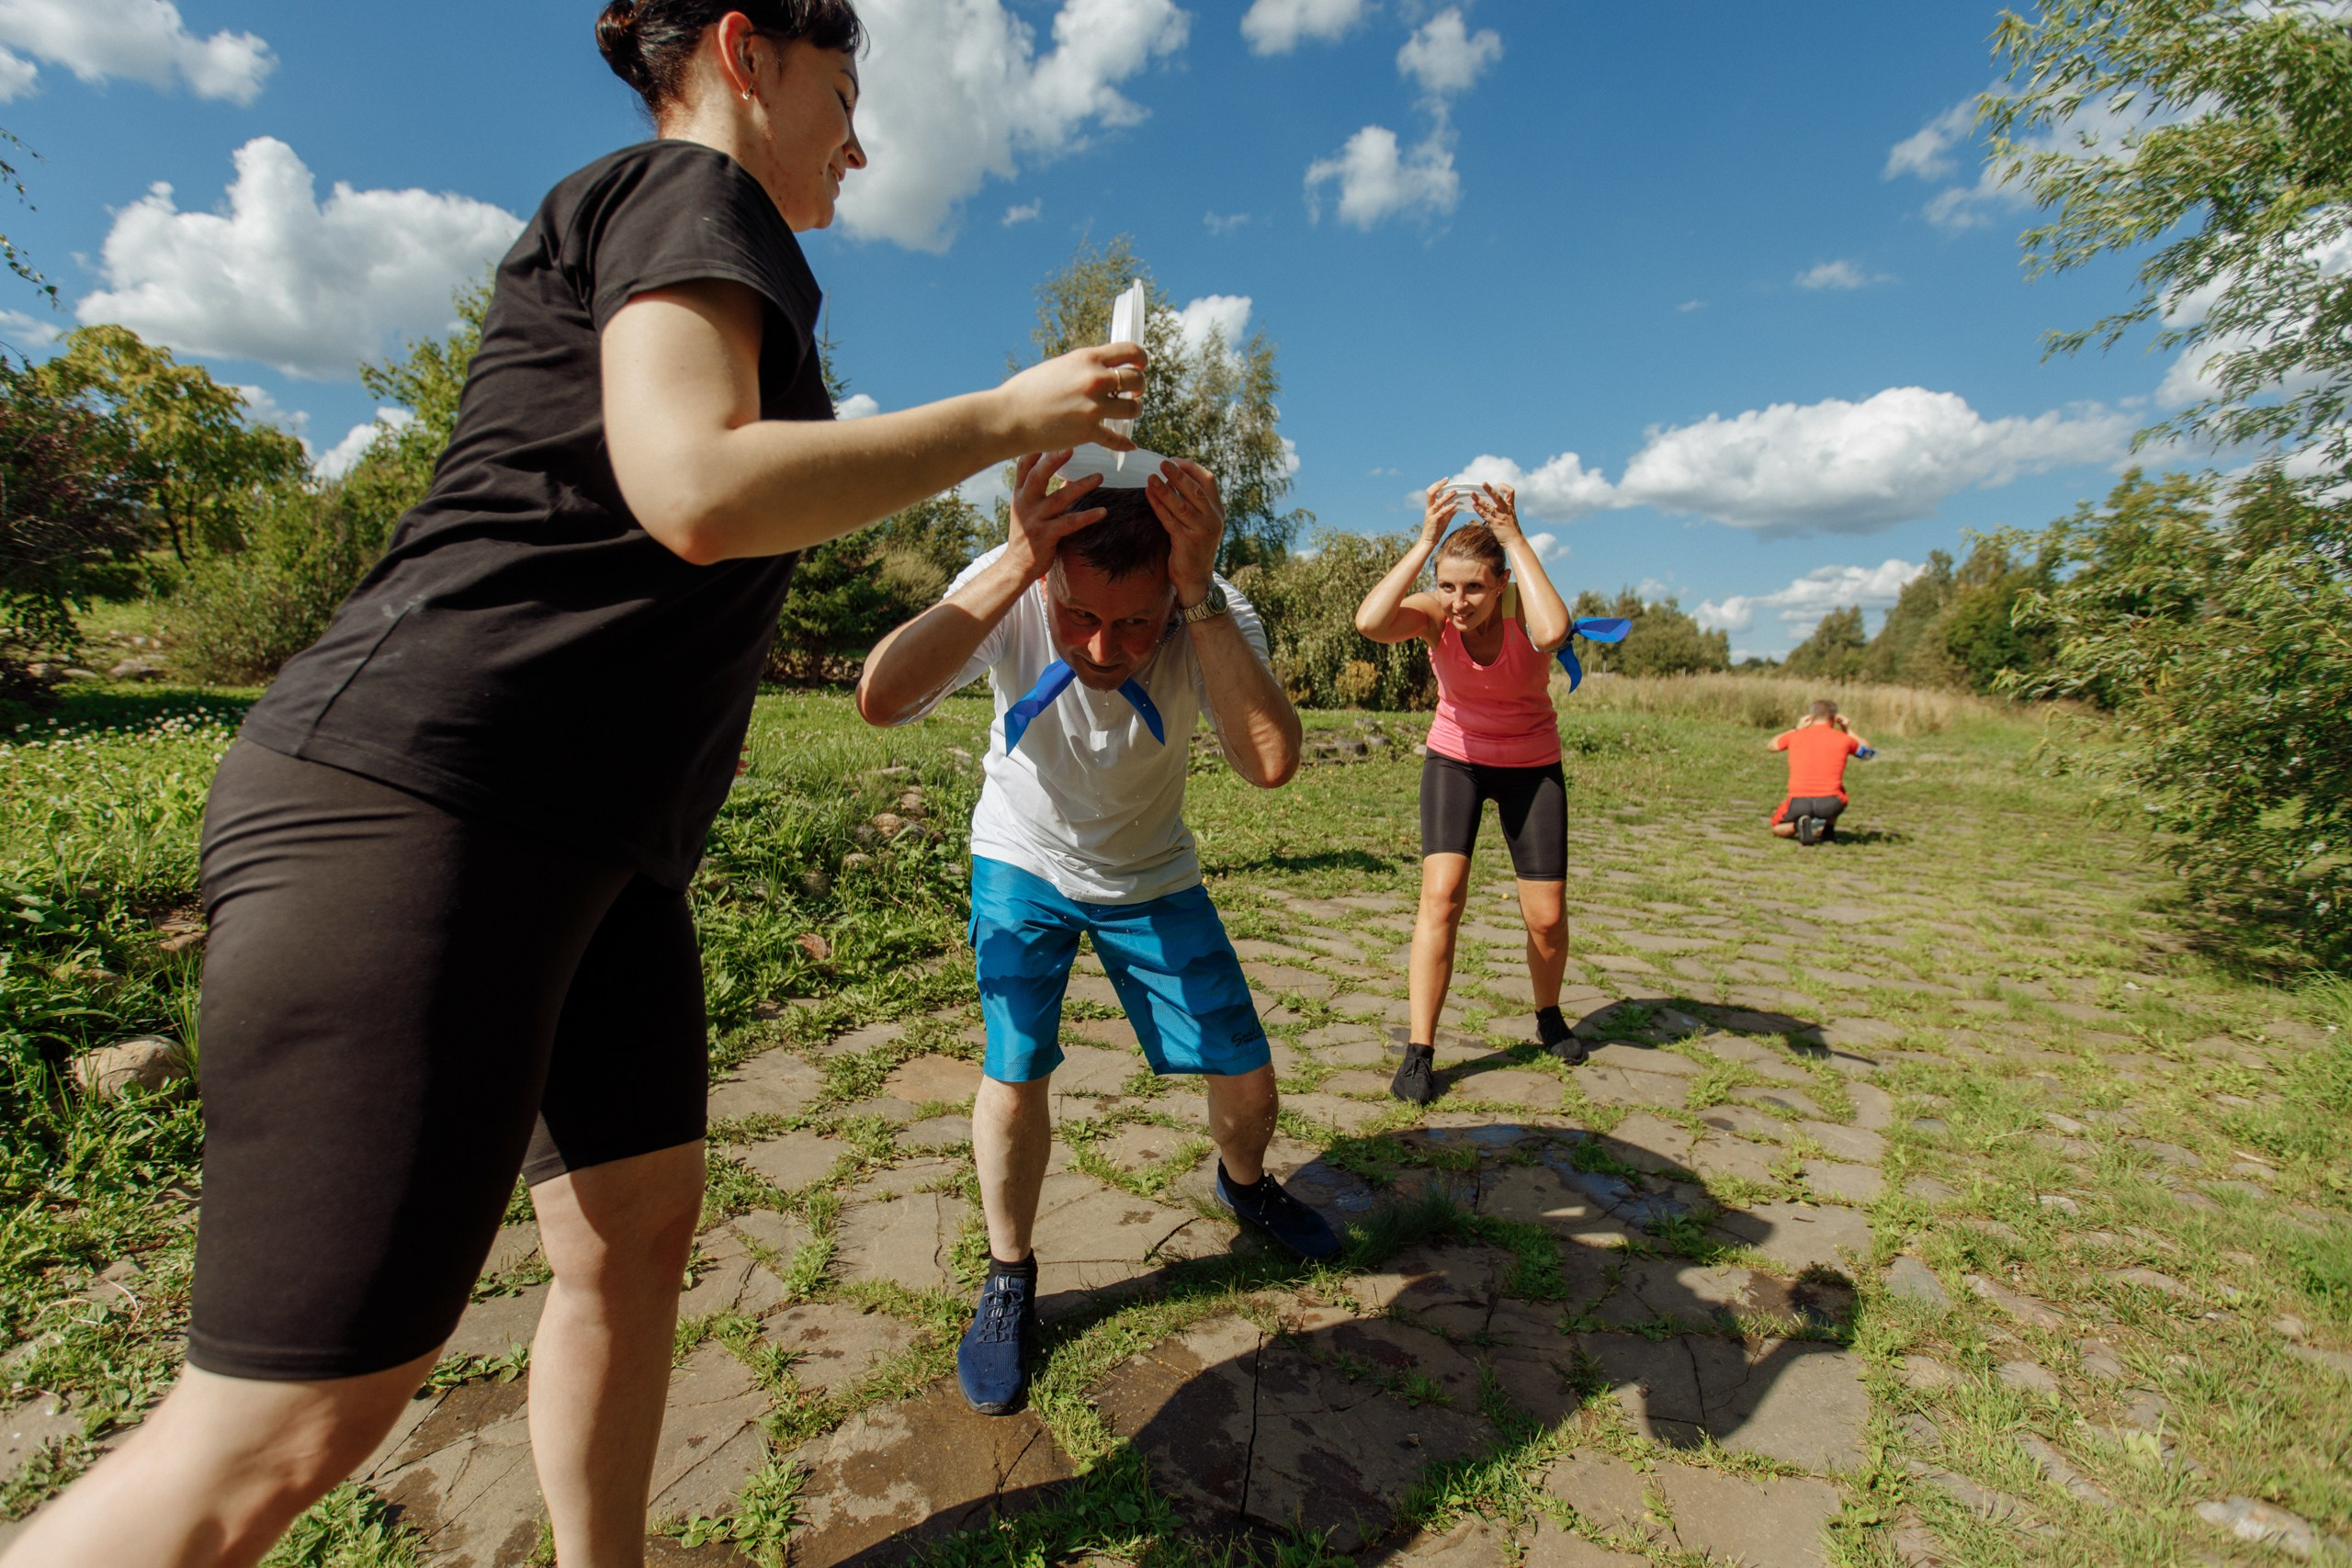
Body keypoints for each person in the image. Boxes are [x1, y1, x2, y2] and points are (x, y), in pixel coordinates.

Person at [2, 5, 1157, 1564]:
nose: (860, 142)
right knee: (286, 1423)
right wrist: (1006, 415)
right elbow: (696, 486)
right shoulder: (693, 188)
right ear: (744, 53)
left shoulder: (705, 239)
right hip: (431, 801)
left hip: (596, 851)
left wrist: (1011, 509)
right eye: (842, 91)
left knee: (636, 1229)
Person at [855, 448, 1339, 1418]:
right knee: (1014, 1069)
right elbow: (881, 699)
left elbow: (1270, 763)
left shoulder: (1210, 604)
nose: (1104, 649)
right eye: (1078, 616)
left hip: (1150, 869)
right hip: (1021, 855)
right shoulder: (1019, 579)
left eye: (1135, 623)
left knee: (1248, 1081)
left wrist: (1197, 600)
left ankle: (1244, 1186)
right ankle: (1009, 1274)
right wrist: (1016, 565)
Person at [1351, 480, 1579, 1106]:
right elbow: (1370, 621)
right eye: (1447, 585)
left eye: (1474, 587)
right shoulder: (1432, 614)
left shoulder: (1523, 611)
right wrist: (1426, 539)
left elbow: (1553, 633)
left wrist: (1513, 536)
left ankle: (1549, 1014)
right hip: (1456, 759)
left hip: (1531, 763)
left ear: (1501, 583)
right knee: (1442, 897)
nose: (1458, 602)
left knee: (1547, 917)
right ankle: (1419, 1050)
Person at [1769, 699, 1873, 845]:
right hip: (1831, 803)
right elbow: (1868, 753)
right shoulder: (1844, 739)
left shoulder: (1795, 736)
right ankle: (1828, 831)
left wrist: (1796, 728)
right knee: (1840, 790)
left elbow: (1772, 745)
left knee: (1777, 828)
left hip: (1798, 801)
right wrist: (1847, 729)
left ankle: (1799, 826)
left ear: (1810, 717)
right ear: (1835, 718)